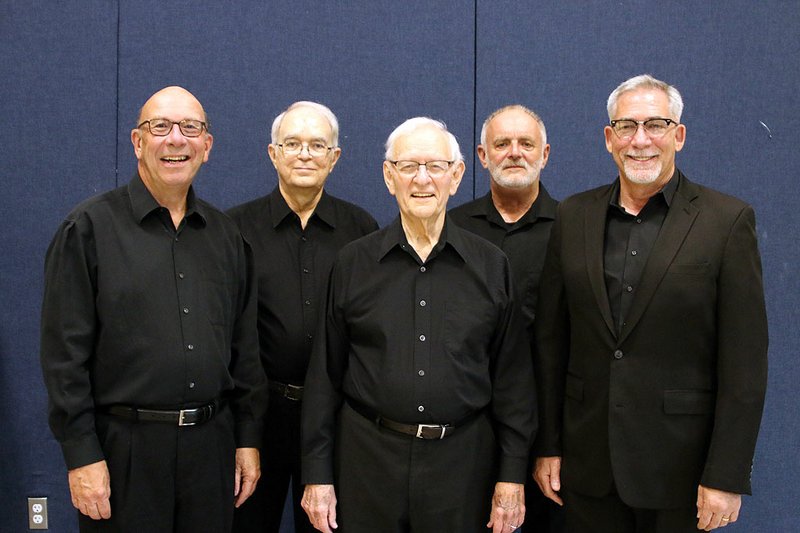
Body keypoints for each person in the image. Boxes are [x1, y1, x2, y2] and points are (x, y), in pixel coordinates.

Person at [533, 74, 768, 533]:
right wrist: (548, 444)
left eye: (655, 125)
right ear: (609, 139)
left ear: (678, 135)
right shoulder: (573, 215)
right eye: (626, 127)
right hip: (587, 468)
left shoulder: (726, 221)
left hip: (682, 473)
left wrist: (726, 473)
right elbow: (550, 341)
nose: (640, 140)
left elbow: (745, 362)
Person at [39, 86, 267, 532]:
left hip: (211, 448)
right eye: (160, 127)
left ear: (208, 145)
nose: (176, 139)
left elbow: (245, 350)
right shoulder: (87, 230)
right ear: (137, 142)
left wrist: (247, 439)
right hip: (125, 453)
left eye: (191, 128)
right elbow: (64, 356)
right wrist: (82, 454)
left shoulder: (228, 238)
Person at [300, 117, 537, 533]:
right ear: (389, 177)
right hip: (367, 465)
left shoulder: (491, 266)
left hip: (463, 467)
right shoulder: (353, 263)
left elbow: (513, 382)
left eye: (435, 166)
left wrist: (512, 474)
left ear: (457, 175)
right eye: (408, 166)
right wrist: (317, 474)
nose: (422, 179)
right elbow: (324, 378)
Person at [227, 101, 378, 533]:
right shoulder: (234, 231)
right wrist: (245, 436)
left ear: (335, 157)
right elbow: (228, 337)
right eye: (292, 143)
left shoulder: (362, 231)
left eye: (317, 145)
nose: (305, 154)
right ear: (273, 153)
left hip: (337, 422)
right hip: (260, 416)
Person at [449, 104, 562, 533]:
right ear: (482, 156)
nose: (514, 152)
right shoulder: (451, 227)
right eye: (502, 144)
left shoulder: (574, 228)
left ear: (545, 153)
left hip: (550, 430)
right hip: (467, 427)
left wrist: (554, 443)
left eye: (526, 143)